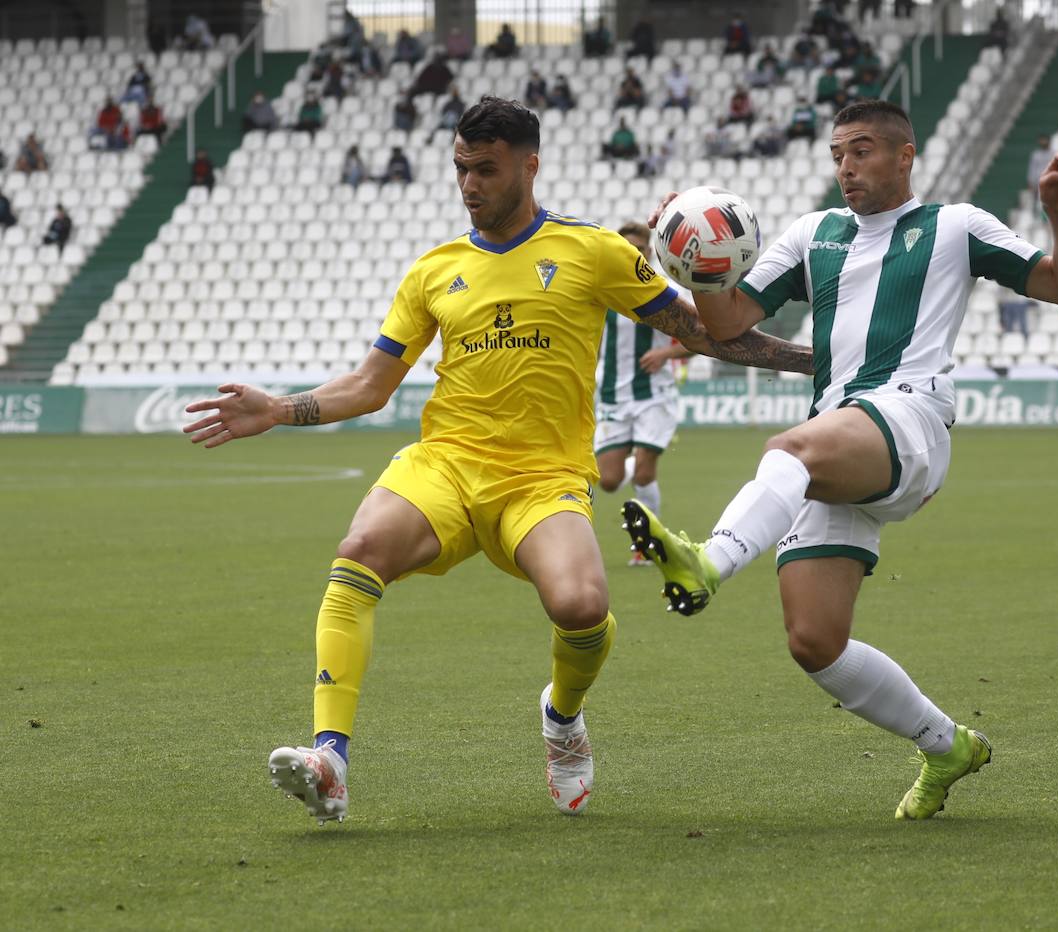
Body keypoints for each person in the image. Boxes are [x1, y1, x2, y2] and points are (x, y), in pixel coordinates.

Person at [181, 95, 811, 824]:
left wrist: (816, 360)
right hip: (446, 463)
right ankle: (330, 760)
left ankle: (563, 720)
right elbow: (369, 386)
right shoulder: (433, 270)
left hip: (542, 479)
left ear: (529, 165)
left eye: (485, 168)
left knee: (582, 607)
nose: (469, 184)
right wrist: (278, 410)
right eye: (460, 169)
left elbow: (703, 334)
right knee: (357, 554)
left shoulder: (595, 251)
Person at [624, 99, 1058, 821]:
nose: (847, 166)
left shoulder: (956, 226)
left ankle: (707, 563)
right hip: (841, 437)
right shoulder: (814, 234)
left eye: (864, 151)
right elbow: (723, 325)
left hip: (910, 417)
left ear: (905, 156)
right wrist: (694, 256)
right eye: (839, 152)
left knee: (789, 448)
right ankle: (947, 746)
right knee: (815, 642)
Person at [596, 221, 696, 566]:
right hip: (611, 395)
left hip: (655, 394)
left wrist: (666, 354)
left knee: (643, 473)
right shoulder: (601, 292)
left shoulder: (666, 292)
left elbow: (699, 339)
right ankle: (632, 460)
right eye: (625, 249)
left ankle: (646, 544)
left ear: (649, 252)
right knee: (607, 480)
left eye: (638, 249)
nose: (632, 255)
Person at [1028, 134, 1054, 211]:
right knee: (1037, 203)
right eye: (1041, 140)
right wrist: (1031, 182)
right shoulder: (1036, 155)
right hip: (1038, 183)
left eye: (1044, 140)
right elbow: (1032, 169)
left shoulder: (1053, 154)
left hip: (1050, 182)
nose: (1043, 142)